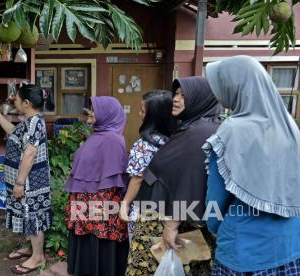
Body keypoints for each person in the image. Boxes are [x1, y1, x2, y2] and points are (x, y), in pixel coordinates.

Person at [204, 55, 300, 275]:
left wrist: (217, 228)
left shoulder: (232, 131)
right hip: (291, 245)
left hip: (244, 248)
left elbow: (215, 201)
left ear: (234, 86)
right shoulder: (290, 128)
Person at [142, 77, 220, 274]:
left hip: (183, 225)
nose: (176, 99)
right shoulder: (190, 127)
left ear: (201, 99)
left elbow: (190, 179)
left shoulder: (199, 132)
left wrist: (171, 224)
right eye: (176, 93)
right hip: (174, 217)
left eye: (184, 95)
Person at [0, 84, 51, 275]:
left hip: (30, 182)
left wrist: (20, 182)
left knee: (32, 216)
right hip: (28, 180)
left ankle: (38, 257)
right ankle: (32, 249)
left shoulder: (33, 123)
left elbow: (30, 154)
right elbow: (13, 133)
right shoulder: (30, 121)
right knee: (26, 213)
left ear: (27, 103)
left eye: (17, 98)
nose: (14, 100)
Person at [65, 96, 129, 276]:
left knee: (98, 243)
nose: (90, 112)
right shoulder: (98, 135)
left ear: (107, 114)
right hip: (87, 201)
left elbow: (113, 179)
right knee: (88, 242)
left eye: (94, 109)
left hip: (99, 204)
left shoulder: (113, 140)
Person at [118, 90, 177, 275]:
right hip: (173, 210)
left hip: (145, 209)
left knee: (142, 257)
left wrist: (124, 205)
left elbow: (137, 180)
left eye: (143, 111)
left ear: (155, 116)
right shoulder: (178, 140)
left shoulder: (143, 145)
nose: (139, 114)